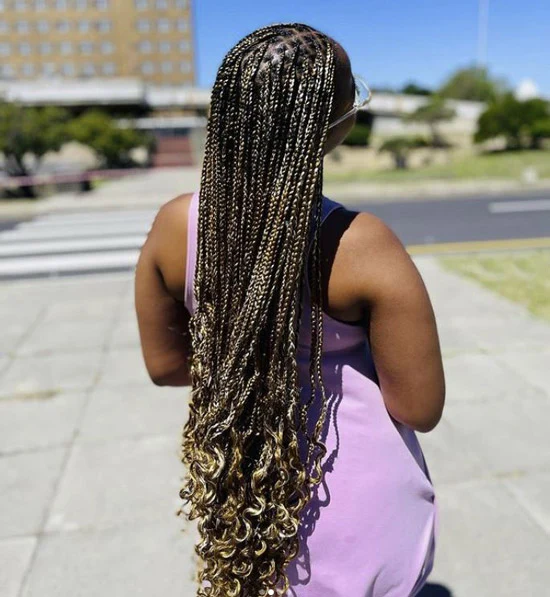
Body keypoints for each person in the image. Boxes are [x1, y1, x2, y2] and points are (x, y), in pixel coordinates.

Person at [134, 22, 445, 597]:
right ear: (336, 127)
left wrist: (249, 362)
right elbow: (418, 407)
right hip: (358, 509)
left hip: (247, 496)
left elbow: (165, 366)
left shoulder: (177, 223)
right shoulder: (361, 243)